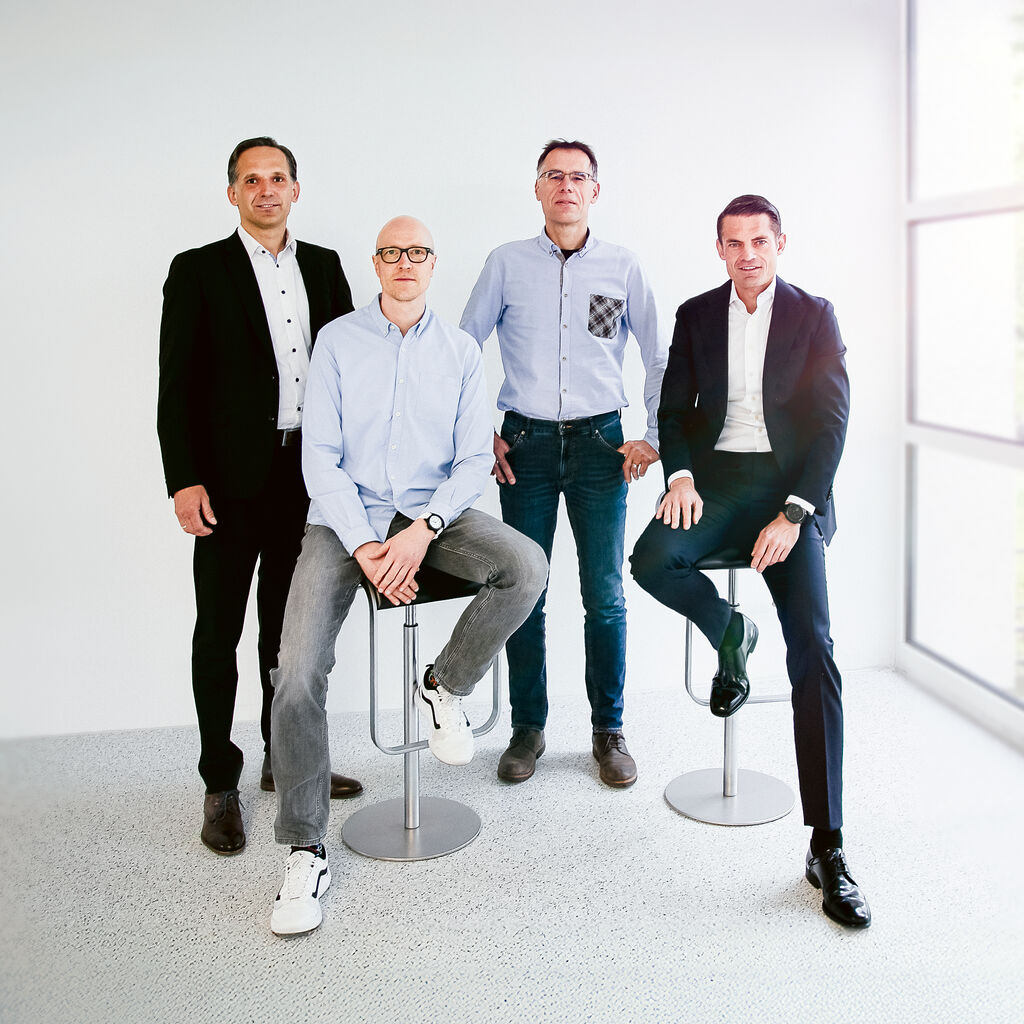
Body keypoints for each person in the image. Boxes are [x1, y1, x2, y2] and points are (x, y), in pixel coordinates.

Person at [268, 216, 548, 936]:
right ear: (376, 264)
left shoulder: (460, 351)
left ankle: (443, 685)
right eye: (391, 253)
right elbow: (319, 457)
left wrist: (423, 531)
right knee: (296, 670)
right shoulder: (338, 341)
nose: (404, 263)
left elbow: (472, 460)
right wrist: (367, 545)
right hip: (345, 519)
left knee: (525, 566)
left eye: (416, 252)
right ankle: (303, 849)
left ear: (432, 264)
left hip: (434, 513)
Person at [629, 195, 870, 928]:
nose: (747, 255)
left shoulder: (814, 316)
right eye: (734, 243)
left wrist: (794, 514)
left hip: (789, 493)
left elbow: (831, 423)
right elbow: (674, 408)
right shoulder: (697, 314)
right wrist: (679, 476)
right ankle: (731, 629)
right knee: (652, 558)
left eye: (759, 241)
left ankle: (827, 846)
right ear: (720, 249)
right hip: (716, 485)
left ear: (779, 244)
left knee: (815, 652)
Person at [157, 137, 363, 857]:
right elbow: (176, 384)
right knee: (219, 631)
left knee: (287, 632)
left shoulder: (325, 266)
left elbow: (351, 371)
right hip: (224, 483)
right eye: (252, 179)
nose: (266, 189)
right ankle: (220, 782)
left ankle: (287, 760)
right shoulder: (197, 270)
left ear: (295, 190)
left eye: (278, 178)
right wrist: (183, 478)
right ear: (233, 193)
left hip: (307, 477)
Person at [460, 139, 666, 788]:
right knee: (525, 589)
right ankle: (528, 728)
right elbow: (461, 350)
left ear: (594, 191)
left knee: (604, 595)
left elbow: (658, 357)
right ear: (538, 188)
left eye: (579, 177)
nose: (566, 186)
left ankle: (609, 731)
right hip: (525, 446)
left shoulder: (623, 267)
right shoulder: (506, 263)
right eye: (554, 175)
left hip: (603, 446)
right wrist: (478, 436)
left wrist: (654, 436)